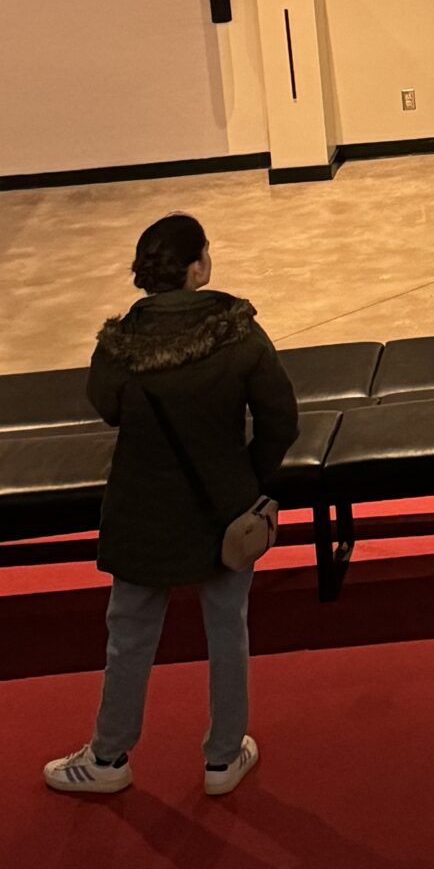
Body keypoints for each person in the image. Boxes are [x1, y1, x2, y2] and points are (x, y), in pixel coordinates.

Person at [43, 212, 298, 799]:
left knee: (129, 636)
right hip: (223, 511)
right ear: (197, 267)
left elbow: (106, 405)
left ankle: (108, 757)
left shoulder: (119, 344)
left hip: (142, 512)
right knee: (227, 630)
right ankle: (223, 757)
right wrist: (246, 478)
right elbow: (281, 419)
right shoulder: (238, 331)